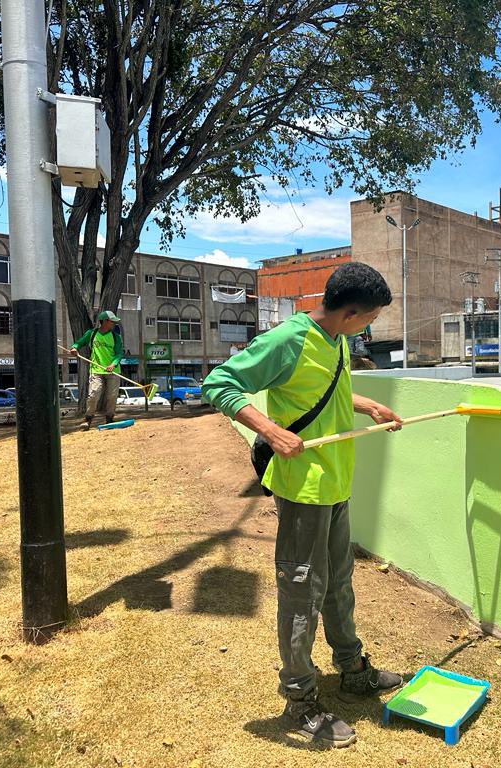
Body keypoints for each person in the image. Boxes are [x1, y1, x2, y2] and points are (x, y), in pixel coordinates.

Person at [202, 263, 403, 748]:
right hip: (304, 489)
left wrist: (366, 404)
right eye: (370, 317)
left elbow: (320, 390)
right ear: (351, 313)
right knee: (302, 593)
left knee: (338, 582)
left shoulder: (335, 340)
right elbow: (219, 383)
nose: (368, 326)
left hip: (335, 484)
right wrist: (269, 430)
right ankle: (299, 699)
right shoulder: (289, 339)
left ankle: (351, 668)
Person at [70, 310, 124, 430]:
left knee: (112, 396)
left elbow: (119, 353)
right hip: (96, 369)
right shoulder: (92, 333)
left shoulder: (116, 337)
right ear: (104, 321)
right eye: (112, 321)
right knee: (93, 394)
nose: (114, 323)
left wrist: (113, 364)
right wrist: (74, 348)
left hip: (113, 371)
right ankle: (88, 419)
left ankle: (109, 419)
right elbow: (79, 342)